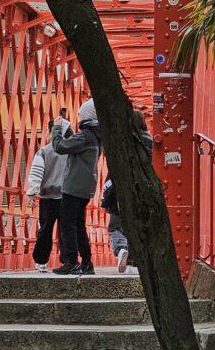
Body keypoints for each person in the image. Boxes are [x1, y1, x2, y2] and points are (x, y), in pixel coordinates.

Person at [51, 99, 101, 275]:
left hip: (73, 186)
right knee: (79, 225)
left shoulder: (84, 136)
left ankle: (71, 261)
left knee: (68, 224)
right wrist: (68, 129)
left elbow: (59, 146)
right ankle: (87, 262)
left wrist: (57, 128)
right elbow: (75, 145)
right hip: (85, 188)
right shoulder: (95, 136)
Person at [102, 108, 154, 273]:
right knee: (139, 224)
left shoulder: (123, 140)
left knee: (115, 226)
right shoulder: (151, 141)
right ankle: (137, 259)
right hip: (144, 189)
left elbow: (112, 163)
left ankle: (121, 249)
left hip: (122, 188)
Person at [26, 117, 69, 271]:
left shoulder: (43, 151)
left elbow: (36, 173)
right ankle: (67, 259)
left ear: (50, 132)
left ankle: (41, 260)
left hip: (47, 197)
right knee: (65, 229)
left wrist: (32, 193)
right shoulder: (70, 150)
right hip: (66, 196)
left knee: (45, 229)